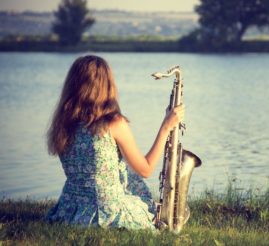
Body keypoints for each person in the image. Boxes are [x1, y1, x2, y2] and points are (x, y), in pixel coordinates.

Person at [45, 55, 184, 230]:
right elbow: (146, 169)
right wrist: (166, 127)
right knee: (134, 181)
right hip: (107, 212)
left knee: (126, 172)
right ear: (106, 85)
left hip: (69, 211)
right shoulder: (114, 123)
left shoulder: (64, 124)